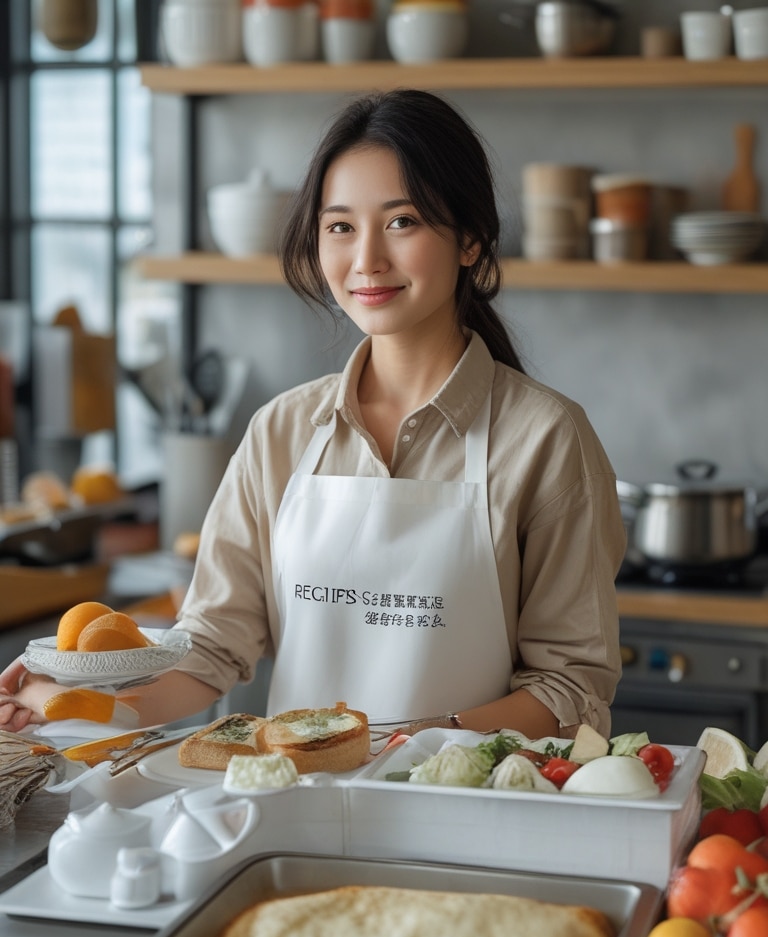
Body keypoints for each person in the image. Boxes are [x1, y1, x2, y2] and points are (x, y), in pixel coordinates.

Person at [0, 89, 626, 740]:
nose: (367, 261)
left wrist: (412, 742)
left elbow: (569, 686)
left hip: (463, 820)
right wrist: (80, 701)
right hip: (288, 819)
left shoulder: (547, 438)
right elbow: (212, 649)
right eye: (340, 227)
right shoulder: (282, 431)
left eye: (402, 221)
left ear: (469, 239)